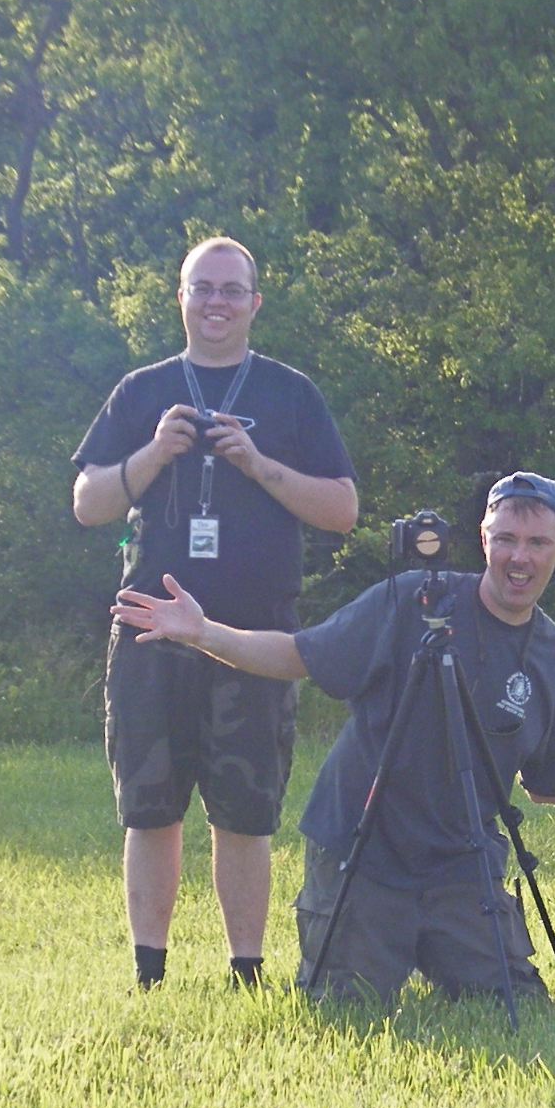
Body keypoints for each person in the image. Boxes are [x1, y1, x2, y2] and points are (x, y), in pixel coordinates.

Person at [115, 470, 555, 1004]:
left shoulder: (552, 653)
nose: (519, 558)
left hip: (461, 862)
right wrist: (204, 633)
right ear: (484, 539)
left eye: (537, 542)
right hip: (364, 851)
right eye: (506, 540)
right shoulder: (414, 599)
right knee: (348, 1006)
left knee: (506, 1003)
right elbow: (298, 655)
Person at [73, 237, 357, 988]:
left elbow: (342, 510)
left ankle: (246, 970)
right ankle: (150, 971)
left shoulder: (290, 395)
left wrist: (256, 464)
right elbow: (88, 504)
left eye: (232, 290)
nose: (217, 303)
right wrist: (152, 456)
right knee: (149, 808)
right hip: (150, 626)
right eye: (203, 288)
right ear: (181, 298)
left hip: (255, 634)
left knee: (246, 810)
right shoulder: (142, 391)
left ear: (255, 303)